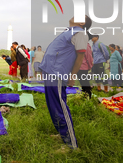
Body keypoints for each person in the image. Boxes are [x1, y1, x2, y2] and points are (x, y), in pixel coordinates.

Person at [39, 15, 92, 149]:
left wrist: (72, 76)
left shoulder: (80, 33)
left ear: (82, 22)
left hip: (57, 72)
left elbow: (80, 58)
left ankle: (71, 144)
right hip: (50, 71)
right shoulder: (69, 31)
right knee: (53, 105)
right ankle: (62, 134)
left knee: (60, 106)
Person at [77, 33, 93, 99]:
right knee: (84, 83)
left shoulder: (84, 45)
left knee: (84, 83)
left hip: (80, 67)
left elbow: (88, 57)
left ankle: (88, 97)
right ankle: (86, 96)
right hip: (82, 67)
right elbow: (89, 57)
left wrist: (90, 65)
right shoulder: (84, 45)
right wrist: (90, 66)